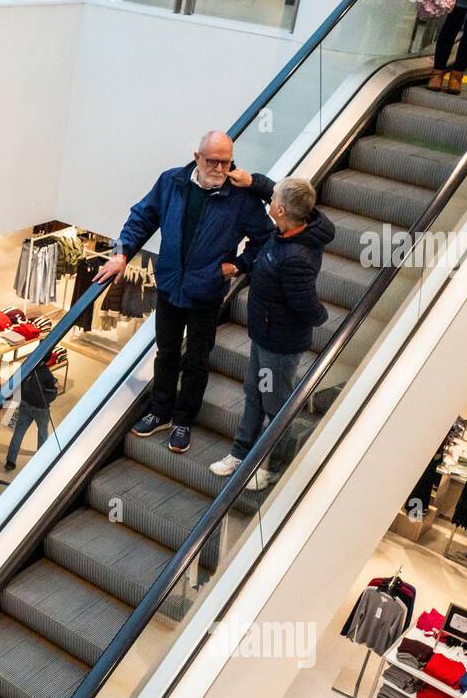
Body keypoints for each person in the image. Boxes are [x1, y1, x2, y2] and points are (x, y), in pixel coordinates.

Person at [95, 130, 275, 456]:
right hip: (168, 285)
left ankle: (183, 419)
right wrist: (121, 253)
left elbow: (266, 237)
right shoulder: (172, 182)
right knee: (166, 353)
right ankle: (160, 411)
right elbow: (142, 216)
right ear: (197, 157)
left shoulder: (241, 198)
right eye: (212, 161)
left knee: (196, 359)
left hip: (206, 290)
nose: (219, 168)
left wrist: (236, 266)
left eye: (226, 162)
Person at [209, 177, 333, 491]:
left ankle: (275, 468)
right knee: (254, 392)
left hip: (281, 343)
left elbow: (306, 305)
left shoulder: (295, 257)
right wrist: (257, 182)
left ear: (278, 210)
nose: (270, 198)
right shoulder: (291, 226)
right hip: (265, 335)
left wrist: (321, 316)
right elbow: (288, 195)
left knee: (277, 406)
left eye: (273, 197)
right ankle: (241, 452)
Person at [5, 363, 59, 471]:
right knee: (42, 433)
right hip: (40, 409)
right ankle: (40, 461)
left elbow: (20, 383)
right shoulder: (46, 373)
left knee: (19, 432)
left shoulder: (29, 365)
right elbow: (52, 394)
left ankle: (11, 461)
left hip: (25, 403)